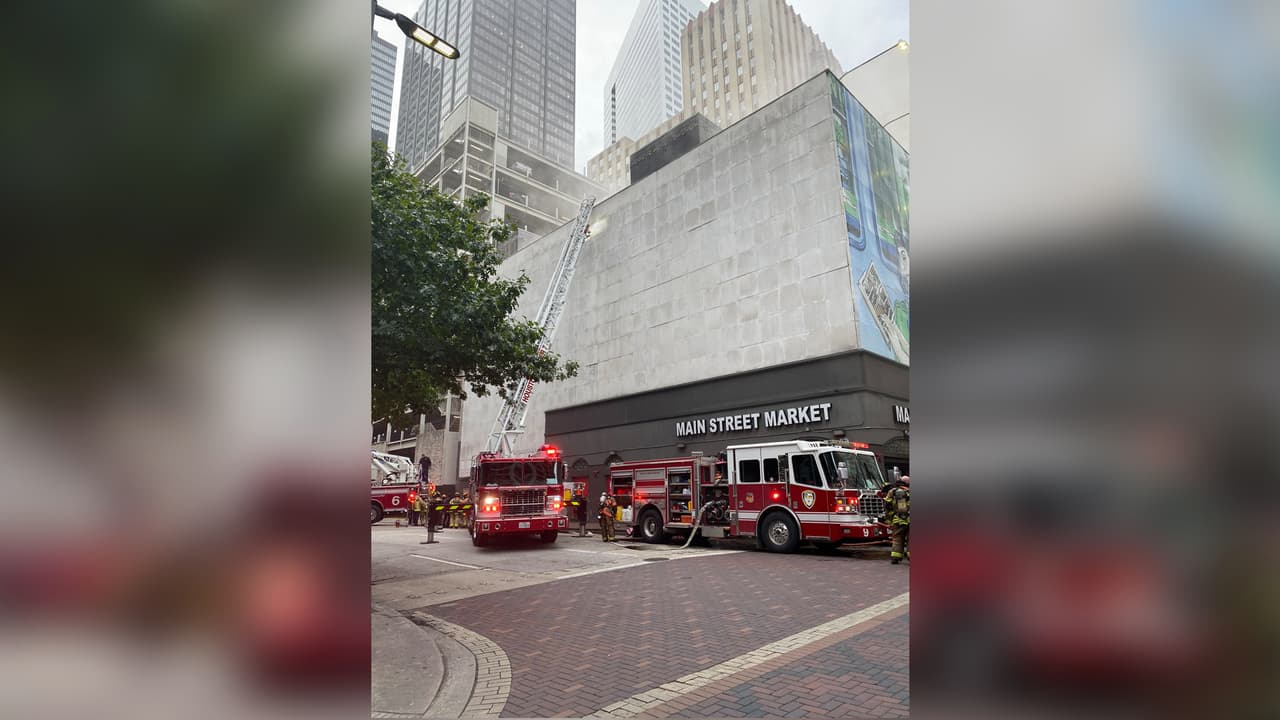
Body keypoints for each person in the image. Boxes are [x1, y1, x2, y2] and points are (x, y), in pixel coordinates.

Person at [884, 475, 910, 564]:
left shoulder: (892, 491)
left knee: (897, 539)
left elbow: (887, 506)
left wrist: (889, 519)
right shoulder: (909, 491)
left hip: (897, 520)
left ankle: (895, 557)